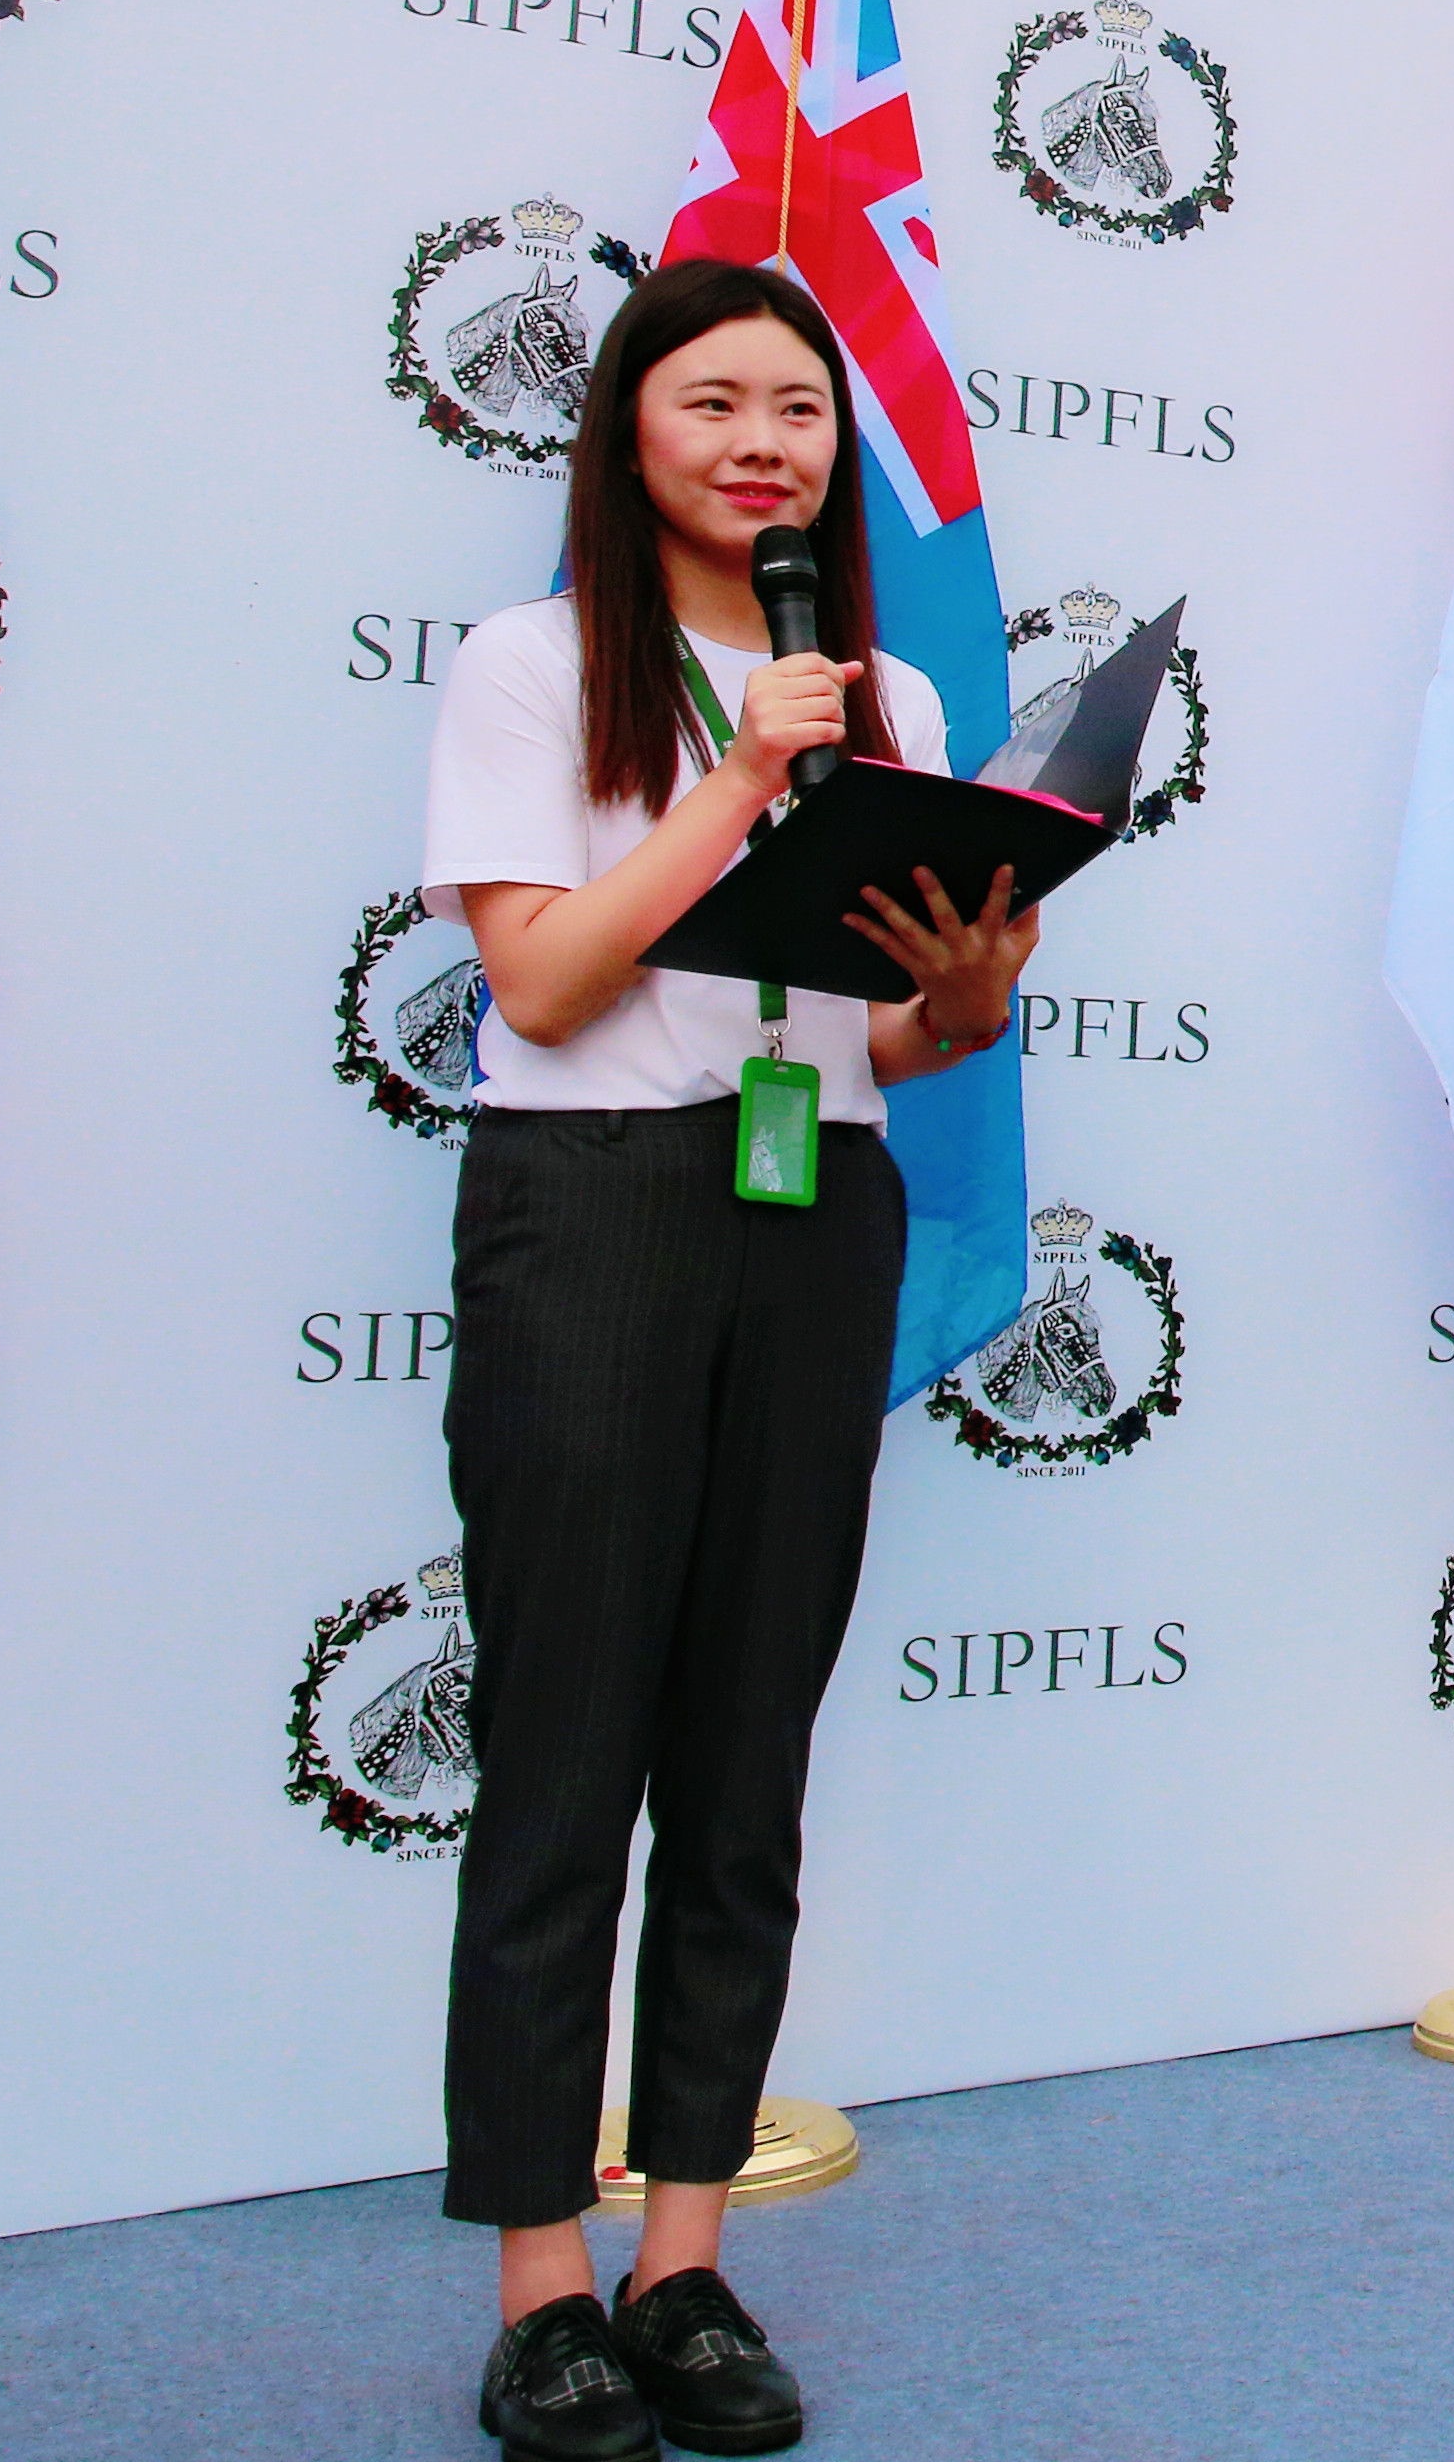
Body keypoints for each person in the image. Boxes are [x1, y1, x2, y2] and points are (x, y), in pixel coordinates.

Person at [420, 260, 1039, 2460]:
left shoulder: (891, 695)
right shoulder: (531, 666)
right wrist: (739, 779)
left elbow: (883, 1036)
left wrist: (968, 993)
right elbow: (546, 985)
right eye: (714, 401)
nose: (764, 441)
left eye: (798, 406)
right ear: (628, 430)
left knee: (747, 1753)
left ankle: (683, 2261)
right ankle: (541, 2285)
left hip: (814, 1205)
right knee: (563, 1752)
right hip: (593, 1203)